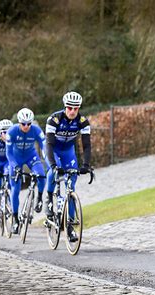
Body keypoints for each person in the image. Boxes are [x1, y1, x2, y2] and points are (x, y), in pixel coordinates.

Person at [44, 91, 91, 243]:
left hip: (68, 152)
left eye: (75, 108)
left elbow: (87, 145)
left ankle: (69, 226)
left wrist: (86, 165)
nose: (72, 111)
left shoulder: (83, 121)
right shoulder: (54, 119)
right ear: (65, 107)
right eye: (69, 108)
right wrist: (53, 165)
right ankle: (49, 198)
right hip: (54, 151)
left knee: (71, 188)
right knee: (53, 171)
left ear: (79, 108)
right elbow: (49, 145)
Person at [6, 108, 46, 234]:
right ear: (19, 122)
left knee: (41, 175)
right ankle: (16, 219)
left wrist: (49, 161)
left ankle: (39, 198)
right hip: (15, 159)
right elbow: (8, 153)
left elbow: (44, 147)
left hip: (31, 157)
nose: (26, 126)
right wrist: (15, 166)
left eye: (29, 123)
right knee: (15, 189)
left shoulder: (36, 130)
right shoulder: (12, 131)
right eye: (23, 123)